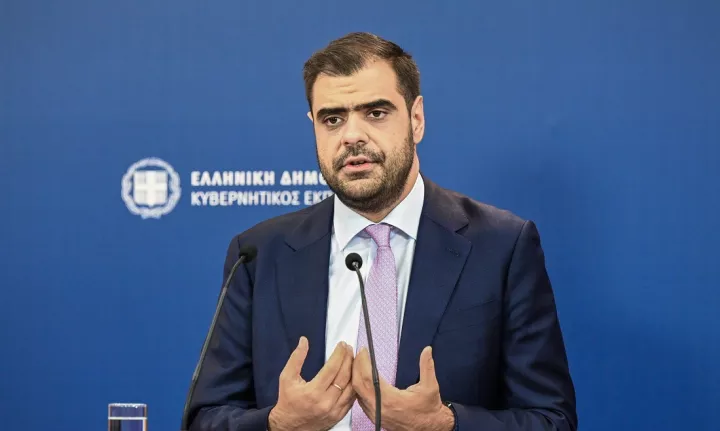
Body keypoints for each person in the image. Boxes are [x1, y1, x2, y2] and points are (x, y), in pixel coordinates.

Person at [185, 32, 577, 431]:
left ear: (416, 118)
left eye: (375, 113)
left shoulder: (501, 247)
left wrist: (444, 424)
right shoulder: (258, 254)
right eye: (332, 119)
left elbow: (552, 420)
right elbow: (204, 418)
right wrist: (277, 423)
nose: (352, 136)